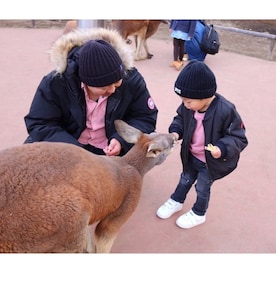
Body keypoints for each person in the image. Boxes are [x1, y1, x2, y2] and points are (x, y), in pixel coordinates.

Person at [24, 28, 158, 156]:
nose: (112, 90)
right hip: (70, 147)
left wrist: (121, 140)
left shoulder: (132, 79)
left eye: (117, 83)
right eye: (104, 87)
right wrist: (72, 149)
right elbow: (40, 123)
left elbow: (145, 117)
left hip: (109, 151)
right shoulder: (56, 82)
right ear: (85, 81)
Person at [156, 60, 248, 228]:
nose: (185, 104)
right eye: (183, 100)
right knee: (185, 179)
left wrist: (222, 149)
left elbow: (239, 137)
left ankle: (199, 213)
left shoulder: (226, 110)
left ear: (205, 97)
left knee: (202, 188)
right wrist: (176, 132)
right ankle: (176, 200)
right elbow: (180, 119)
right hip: (191, 155)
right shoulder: (189, 106)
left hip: (210, 162)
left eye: (188, 101)